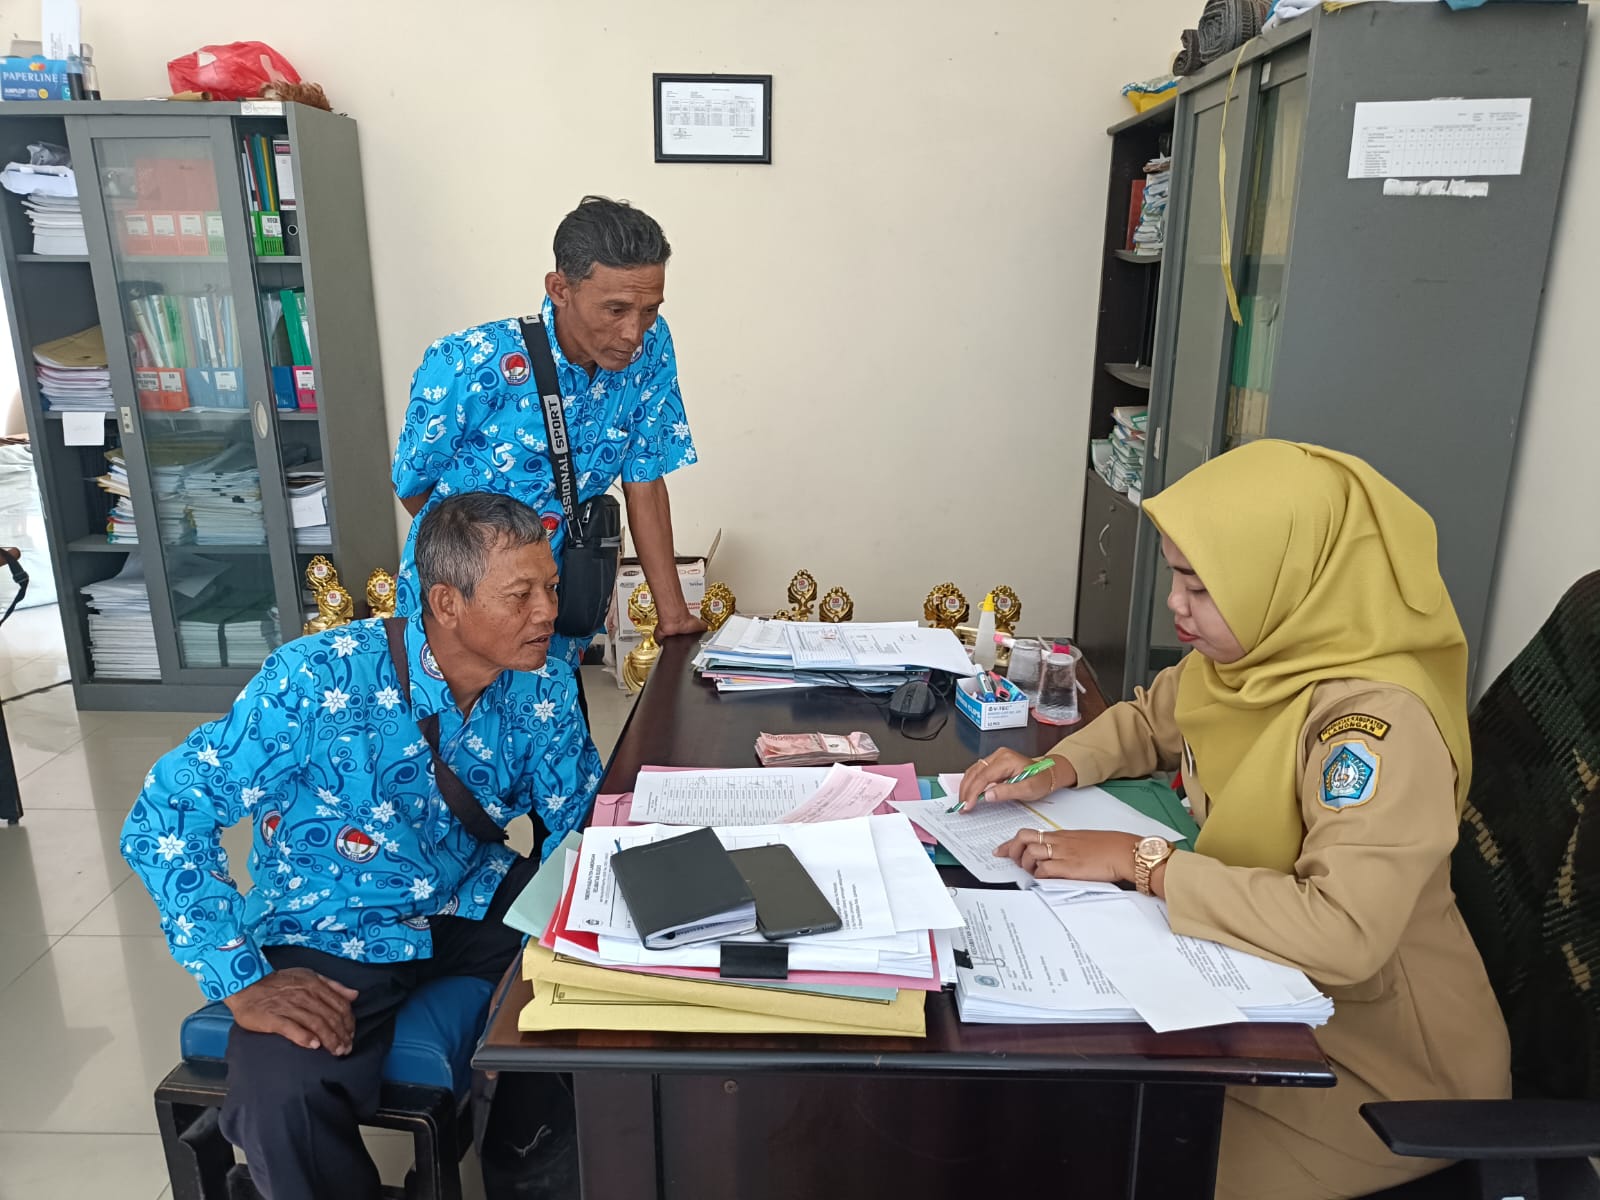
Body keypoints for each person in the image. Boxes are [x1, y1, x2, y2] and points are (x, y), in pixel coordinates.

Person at [955, 440, 1510, 1200]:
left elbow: (1343, 931)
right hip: (1261, 999)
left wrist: (1142, 861)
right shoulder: (1254, 657)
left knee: (1106, 1154)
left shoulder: (1374, 727)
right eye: (1176, 576)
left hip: (1380, 1070)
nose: (1176, 604)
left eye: (1200, 585)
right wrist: (1055, 768)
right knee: (1051, 1100)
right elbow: (1151, 719)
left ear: (1289, 579)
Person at [122, 493, 602, 1200]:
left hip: (470, 894)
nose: (547, 612)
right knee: (281, 1098)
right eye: (521, 594)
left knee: (606, 989)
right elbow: (165, 815)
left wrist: (576, 940)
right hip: (333, 920)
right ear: (446, 602)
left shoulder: (546, 687)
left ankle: (526, 1162)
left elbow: (577, 826)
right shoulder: (315, 681)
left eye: (552, 588)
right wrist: (240, 979)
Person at [391, 194, 706, 694]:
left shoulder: (652, 348)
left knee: (549, 728)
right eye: (616, 309)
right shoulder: (469, 360)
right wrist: (488, 573)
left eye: (649, 310)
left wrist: (673, 616)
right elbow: (413, 486)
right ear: (560, 289)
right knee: (452, 732)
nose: (633, 332)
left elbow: (645, 478)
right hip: (466, 613)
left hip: (559, 604)